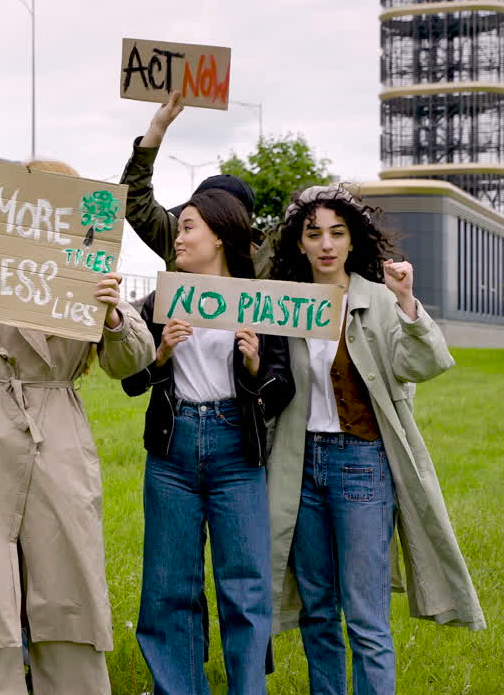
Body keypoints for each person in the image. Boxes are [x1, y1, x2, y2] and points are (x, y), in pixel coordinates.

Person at [0, 160, 156, 695]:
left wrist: (114, 316)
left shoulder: (87, 268)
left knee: (68, 568)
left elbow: (134, 359)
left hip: (59, 423)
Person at [264, 185, 485, 694]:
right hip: (300, 466)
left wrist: (407, 301)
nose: (325, 244)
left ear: (351, 240)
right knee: (318, 611)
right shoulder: (285, 303)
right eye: (313, 233)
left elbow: (421, 364)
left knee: (365, 615)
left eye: (336, 234)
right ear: (299, 243)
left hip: (360, 463)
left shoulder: (379, 299)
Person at [121, 189, 294, 695]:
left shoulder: (259, 299)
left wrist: (255, 364)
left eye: (188, 227)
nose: (179, 237)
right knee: (169, 586)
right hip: (172, 452)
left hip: (236, 451)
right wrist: (159, 352)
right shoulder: (162, 299)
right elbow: (130, 380)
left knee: (244, 587)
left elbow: (282, 388)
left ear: (218, 235)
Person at [119, 92, 271, 275]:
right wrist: (157, 128)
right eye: (183, 226)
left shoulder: (270, 266)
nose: (178, 240)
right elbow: (134, 198)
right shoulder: (177, 239)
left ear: (224, 231)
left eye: (189, 227)